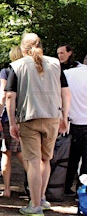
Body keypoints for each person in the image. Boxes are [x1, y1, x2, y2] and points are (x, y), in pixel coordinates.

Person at [5, 33, 70, 215]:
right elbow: (65, 92)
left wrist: (11, 122)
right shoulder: (56, 64)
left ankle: (34, 206)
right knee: (45, 160)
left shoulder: (16, 66)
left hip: (29, 118)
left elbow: (10, 96)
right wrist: (64, 116)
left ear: (22, 47)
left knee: (33, 161)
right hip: (52, 117)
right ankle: (41, 198)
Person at [0, 45, 25, 198]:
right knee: (24, 153)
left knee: (7, 152)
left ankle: (6, 189)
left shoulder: (6, 72)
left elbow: (3, 95)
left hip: (9, 118)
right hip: (26, 117)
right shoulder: (29, 72)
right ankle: (36, 185)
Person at [63, 64, 87, 196]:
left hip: (71, 122)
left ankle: (66, 186)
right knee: (86, 161)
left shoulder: (68, 73)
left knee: (71, 157)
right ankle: (82, 190)